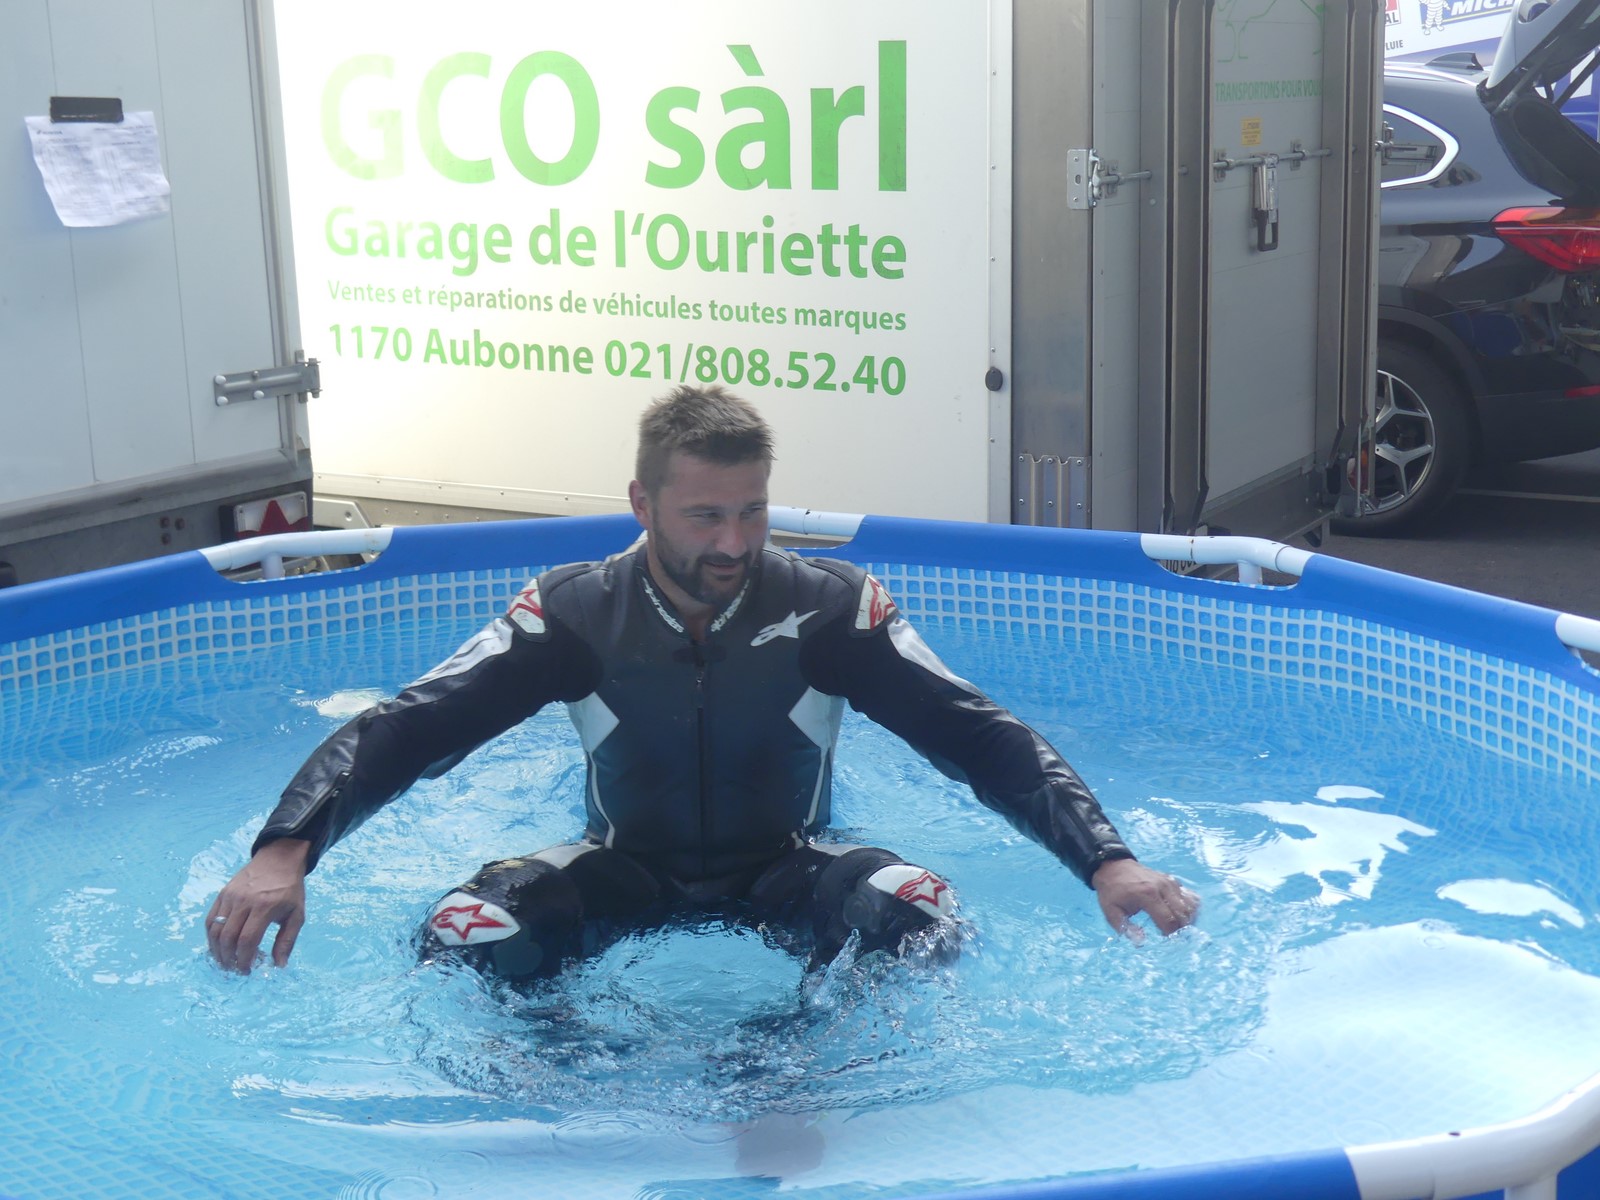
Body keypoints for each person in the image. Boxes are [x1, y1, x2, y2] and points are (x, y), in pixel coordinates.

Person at [206, 386, 1198, 979]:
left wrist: (1105, 861)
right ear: (642, 503)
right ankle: (568, 1098)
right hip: (623, 869)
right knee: (464, 935)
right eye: (704, 517)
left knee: (923, 916)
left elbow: (977, 735)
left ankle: (806, 1077)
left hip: (789, 867)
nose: (733, 544)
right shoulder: (572, 612)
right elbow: (409, 729)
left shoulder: (832, 608)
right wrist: (284, 853)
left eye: (751, 513)